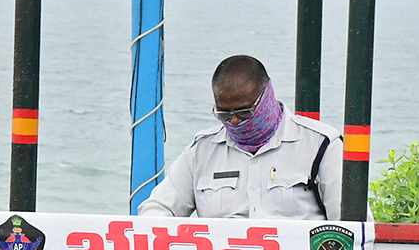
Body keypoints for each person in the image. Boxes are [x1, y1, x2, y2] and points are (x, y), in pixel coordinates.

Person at [138, 55, 342, 220]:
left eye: (244, 112)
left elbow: (350, 226)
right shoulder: (201, 152)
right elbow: (157, 209)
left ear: (267, 98)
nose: (234, 121)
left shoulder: (320, 145)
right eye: (224, 115)